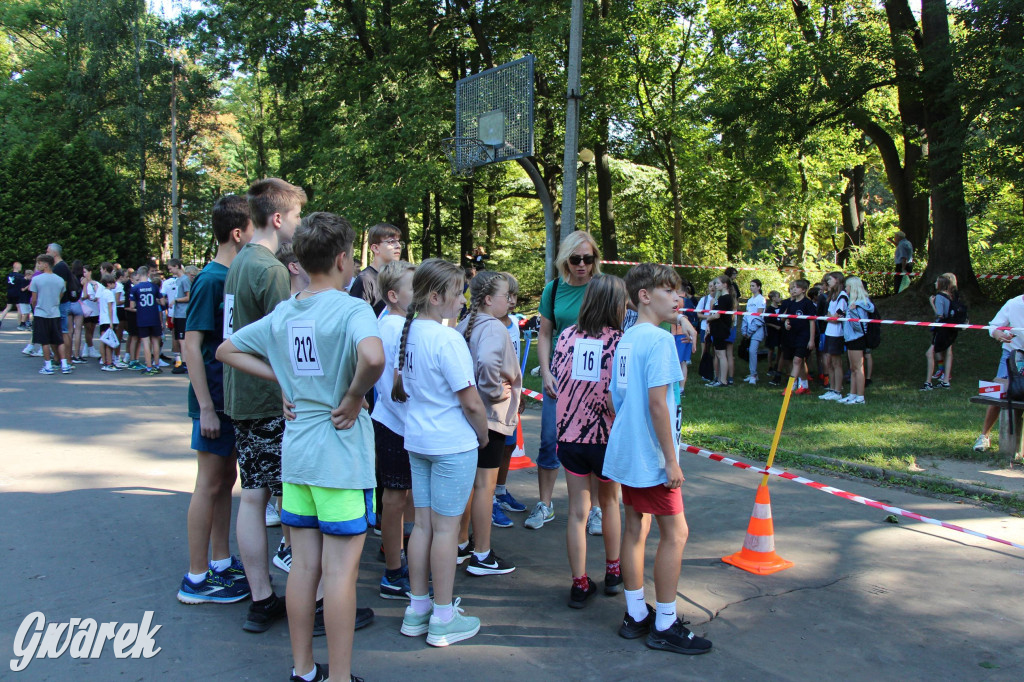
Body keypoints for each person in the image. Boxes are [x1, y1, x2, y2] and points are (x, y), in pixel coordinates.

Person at [218, 212, 384, 682]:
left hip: (297, 455)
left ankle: (304, 669)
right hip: (339, 455)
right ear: (341, 259)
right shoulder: (352, 308)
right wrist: (353, 397)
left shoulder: (285, 312)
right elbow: (373, 357)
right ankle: (339, 677)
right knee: (338, 575)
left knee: (302, 568)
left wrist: (285, 383)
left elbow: (226, 349)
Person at [605, 263, 712, 656]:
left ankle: (636, 614)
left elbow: (617, 397)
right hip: (651, 456)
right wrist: (671, 460)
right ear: (645, 296)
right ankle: (665, 623)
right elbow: (657, 403)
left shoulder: (629, 337)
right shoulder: (660, 341)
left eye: (679, 291)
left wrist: (680, 319)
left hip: (627, 450)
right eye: (669, 291)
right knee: (676, 534)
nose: (679, 297)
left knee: (636, 529)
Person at [223, 177, 306, 633]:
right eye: (295, 217)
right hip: (271, 401)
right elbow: (289, 337)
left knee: (253, 498)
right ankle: (308, 602)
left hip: (243, 396)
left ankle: (262, 599)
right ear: (278, 218)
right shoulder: (271, 269)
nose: (297, 225)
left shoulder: (240, 262)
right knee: (292, 500)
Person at [392, 259, 489, 647]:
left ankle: (418, 609)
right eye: (457, 292)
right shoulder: (446, 339)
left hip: (419, 442)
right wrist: (482, 437)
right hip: (451, 445)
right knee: (446, 529)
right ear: (435, 297)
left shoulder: (411, 331)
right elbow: (471, 403)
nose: (463, 299)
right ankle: (444, 617)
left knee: (424, 527)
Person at [176, 195, 254, 606]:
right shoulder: (211, 279)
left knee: (226, 480)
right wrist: (206, 406)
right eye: (254, 229)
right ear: (238, 233)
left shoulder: (232, 276)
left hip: (229, 399)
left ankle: (222, 564)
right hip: (214, 400)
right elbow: (192, 346)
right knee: (207, 484)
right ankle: (195, 577)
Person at [551, 274, 626, 608]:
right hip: (607, 438)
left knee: (577, 512)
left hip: (570, 436)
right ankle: (613, 571)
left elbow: (558, 379)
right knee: (610, 504)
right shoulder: (621, 342)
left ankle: (579, 583)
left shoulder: (566, 336)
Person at [530, 231, 602, 530]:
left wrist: (679, 318)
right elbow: (544, 334)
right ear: (565, 260)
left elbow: (644, 307)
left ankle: (596, 509)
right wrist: (546, 372)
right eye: (576, 259)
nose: (582, 264)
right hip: (560, 377)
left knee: (596, 442)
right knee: (549, 440)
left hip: (595, 377)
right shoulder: (554, 288)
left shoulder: (602, 287)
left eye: (589, 258)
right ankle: (545, 504)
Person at [456, 270, 522, 577]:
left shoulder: (464, 325)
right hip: (492, 418)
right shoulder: (494, 328)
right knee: (484, 486)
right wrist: (496, 391)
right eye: (505, 295)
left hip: (469, 416)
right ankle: (482, 554)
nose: (509, 301)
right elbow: (485, 363)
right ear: (487, 299)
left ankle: (460, 544)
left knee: (471, 485)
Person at [372, 259, 417, 600]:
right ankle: (392, 572)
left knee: (400, 498)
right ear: (392, 295)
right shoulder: (393, 328)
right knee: (395, 499)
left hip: (399, 423)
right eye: (414, 289)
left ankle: (398, 552)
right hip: (394, 425)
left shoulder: (395, 323)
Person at [491, 272, 528, 528]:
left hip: (512, 396)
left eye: (515, 295)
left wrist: (520, 390)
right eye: (508, 296)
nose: (512, 301)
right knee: (492, 448)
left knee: (508, 445)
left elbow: (515, 362)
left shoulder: (513, 325)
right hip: (495, 397)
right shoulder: (488, 326)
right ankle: (489, 497)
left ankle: (501, 490)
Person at [973, 293, 1024, 452]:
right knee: (998, 391)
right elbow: (994, 326)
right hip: (1012, 353)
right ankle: (984, 437)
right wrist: (999, 334)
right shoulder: (1013, 303)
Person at [349, 223, 403, 316]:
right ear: (375, 248)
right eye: (391, 241)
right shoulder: (365, 280)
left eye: (398, 241)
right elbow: (357, 319)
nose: (398, 245)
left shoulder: (399, 277)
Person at [28, 254, 68, 374]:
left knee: (44, 341)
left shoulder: (36, 279)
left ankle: (48, 366)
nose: (38, 265)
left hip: (41, 313)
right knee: (59, 340)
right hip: (55, 312)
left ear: (45, 264)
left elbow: (34, 299)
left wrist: (36, 309)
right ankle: (65, 365)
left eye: (39, 263)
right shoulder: (60, 280)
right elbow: (60, 296)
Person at [921, 273, 960, 391]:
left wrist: (932, 303)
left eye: (937, 281)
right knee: (948, 352)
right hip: (951, 328)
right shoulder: (953, 296)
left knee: (929, 353)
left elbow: (940, 314)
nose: (934, 283)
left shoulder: (939, 296)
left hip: (942, 328)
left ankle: (928, 383)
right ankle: (946, 381)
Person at [840, 277, 874, 405]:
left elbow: (859, 326)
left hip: (857, 338)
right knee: (852, 367)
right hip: (850, 338)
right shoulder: (852, 302)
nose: (845, 289)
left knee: (858, 368)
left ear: (852, 288)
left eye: (847, 287)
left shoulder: (860, 303)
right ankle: (852, 394)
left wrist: (852, 313)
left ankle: (860, 397)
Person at [781, 279, 817, 395]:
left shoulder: (808, 303)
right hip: (792, 336)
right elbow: (786, 317)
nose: (793, 290)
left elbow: (812, 322)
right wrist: (786, 322)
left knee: (797, 360)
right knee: (798, 362)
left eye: (796, 287)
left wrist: (811, 340)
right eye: (792, 288)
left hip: (804, 336)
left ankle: (790, 387)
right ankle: (805, 386)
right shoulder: (791, 303)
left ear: (803, 290)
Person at [129, 265, 163, 375]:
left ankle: (148, 367)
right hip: (154, 317)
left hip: (142, 318)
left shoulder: (135, 288)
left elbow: (132, 305)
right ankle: (157, 365)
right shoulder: (154, 287)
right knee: (155, 341)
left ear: (138, 275)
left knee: (146, 342)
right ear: (148, 274)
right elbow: (162, 302)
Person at [820, 272, 847, 400]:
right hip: (828, 332)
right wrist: (829, 317)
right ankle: (832, 388)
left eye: (830, 280)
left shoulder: (842, 296)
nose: (828, 282)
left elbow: (836, 318)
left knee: (836, 362)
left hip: (837, 333)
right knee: (829, 362)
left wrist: (829, 317)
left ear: (837, 280)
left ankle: (837, 390)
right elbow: (830, 315)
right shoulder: (832, 296)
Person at [706, 275, 734, 388]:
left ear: (725, 284)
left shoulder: (725, 298)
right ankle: (718, 378)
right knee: (718, 353)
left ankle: (723, 380)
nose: (715, 285)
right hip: (716, 329)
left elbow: (717, 315)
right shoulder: (720, 298)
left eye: (717, 283)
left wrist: (707, 318)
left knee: (721, 354)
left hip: (721, 329)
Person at [46, 243, 74, 354]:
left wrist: (55, 302)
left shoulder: (60, 267)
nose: (46, 253)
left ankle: (66, 359)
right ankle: (62, 358)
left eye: (48, 251)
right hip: (60, 303)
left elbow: (62, 287)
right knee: (60, 331)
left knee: (63, 331)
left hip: (60, 304)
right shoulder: (59, 266)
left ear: (55, 253)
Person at [741, 279, 766, 384]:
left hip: (757, 328)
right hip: (749, 327)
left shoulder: (761, 299)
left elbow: (759, 316)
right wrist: (745, 329)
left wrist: (751, 330)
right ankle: (752, 373)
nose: (751, 288)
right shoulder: (750, 300)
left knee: (752, 350)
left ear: (759, 287)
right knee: (750, 351)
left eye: (753, 286)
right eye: (750, 286)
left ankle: (753, 374)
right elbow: (747, 314)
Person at [167, 260, 191, 372]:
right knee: (180, 338)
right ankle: (183, 361)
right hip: (178, 313)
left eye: (171, 268)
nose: (170, 271)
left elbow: (188, 297)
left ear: (177, 266)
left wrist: (176, 300)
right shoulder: (178, 280)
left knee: (183, 339)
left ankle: (186, 363)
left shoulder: (185, 280)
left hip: (183, 313)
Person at [97, 274, 121, 372]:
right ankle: (110, 363)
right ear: (108, 284)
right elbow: (110, 308)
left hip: (103, 319)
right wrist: (111, 322)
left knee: (104, 341)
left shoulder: (102, 293)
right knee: (110, 343)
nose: (115, 284)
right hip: (109, 320)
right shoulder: (109, 294)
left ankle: (105, 361)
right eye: (113, 283)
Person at [80, 265, 102, 358]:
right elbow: (81, 296)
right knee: (88, 328)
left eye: (85, 272)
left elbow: (99, 295)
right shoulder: (81, 283)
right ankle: (91, 347)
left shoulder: (95, 283)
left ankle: (87, 346)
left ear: (90, 272)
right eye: (83, 272)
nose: (84, 274)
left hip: (95, 309)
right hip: (86, 309)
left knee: (92, 329)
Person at [67, 260, 86, 364]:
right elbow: (85, 295)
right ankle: (77, 355)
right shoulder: (82, 278)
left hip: (69, 303)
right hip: (78, 303)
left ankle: (68, 354)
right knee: (78, 330)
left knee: (69, 331)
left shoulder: (69, 277)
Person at [765, 290, 783, 385]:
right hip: (772, 332)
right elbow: (766, 321)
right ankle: (770, 366)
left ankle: (777, 364)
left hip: (780, 332)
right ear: (773, 298)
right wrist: (775, 326)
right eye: (778, 296)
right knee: (771, 349)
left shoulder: (781, 308)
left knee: (780, 348)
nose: (779, 298)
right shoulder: (769, 309)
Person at [2, 261, 26, 329]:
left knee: (8, 307)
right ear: (18, 267)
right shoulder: (20, 276)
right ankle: (19, 323)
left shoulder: (9, 275)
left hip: (10, 293)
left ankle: (0, 320)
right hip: (17, 294)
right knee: (19, 308)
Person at [890, 230, 914, 294]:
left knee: (899, 283)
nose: (894, 238)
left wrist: (903, 268)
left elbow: (904, 257)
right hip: (909, 264)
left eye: (895, 236)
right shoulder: (907, 243)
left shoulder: (902, 245)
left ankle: (898, 295)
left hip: (902, 265)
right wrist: (892, 241)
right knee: (906, 282)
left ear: (899, 237)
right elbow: (899, 246)